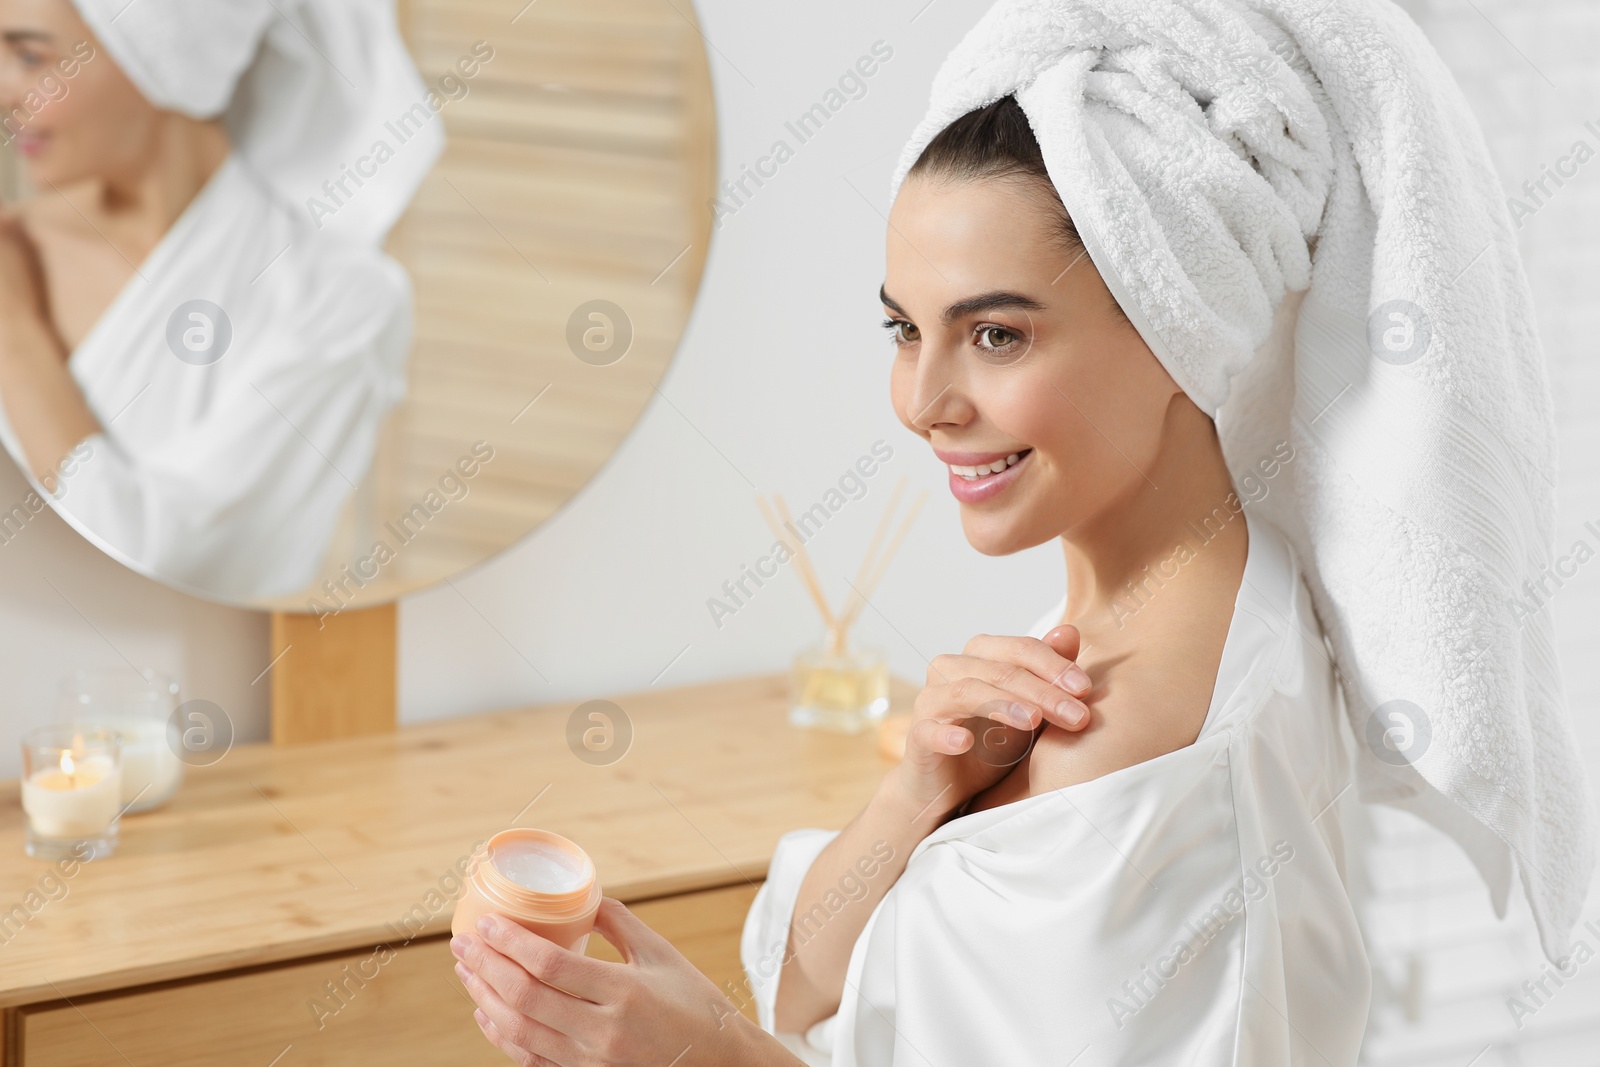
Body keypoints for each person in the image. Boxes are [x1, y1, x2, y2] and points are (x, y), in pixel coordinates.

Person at [446, 1, 1593, 1063]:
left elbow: (793, 1022)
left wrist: (705, 1053)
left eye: (994, 335)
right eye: (905, 328)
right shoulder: (1178, 616)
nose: (921, 400)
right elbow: (814, 992)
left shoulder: (1135, 757)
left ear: (1172, 327)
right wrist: (915, 796)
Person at [0, 0, 440, 600]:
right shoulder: (16, 244)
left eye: (30, 57)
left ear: (160, 60)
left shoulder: (339, 304)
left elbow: (159, 572)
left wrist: (17, 338)